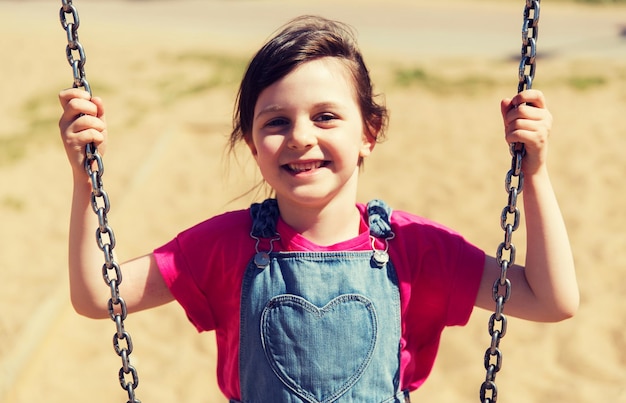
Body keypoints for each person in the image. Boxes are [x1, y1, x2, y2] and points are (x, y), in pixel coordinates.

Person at [58, 15, 578, 403]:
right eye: (276, 122)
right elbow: (99, 296)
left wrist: (533, 173)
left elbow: (549, 299)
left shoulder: (416, 249)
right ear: (252, 142)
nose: (300, 137)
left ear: (368, 134)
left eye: (326, 116)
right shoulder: (225, 246)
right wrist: (85, 178)